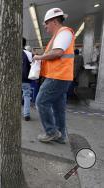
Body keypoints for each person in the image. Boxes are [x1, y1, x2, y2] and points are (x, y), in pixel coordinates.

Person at [33, 8, 75, 144]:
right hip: (61, 77)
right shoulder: (60, 35)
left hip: (57, 76)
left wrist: (39, 57)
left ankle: (51, 132)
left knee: (41, 102)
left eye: (46, 23)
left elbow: (57, 53)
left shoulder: (63, 33)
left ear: (54, 21)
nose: (45, 26)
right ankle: (61, 135)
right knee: (58, 108)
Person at [22, 37, 33, 121]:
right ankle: (26, 114)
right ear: (25, 44)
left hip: (13, 79)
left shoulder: (11, 53)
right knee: (26, 96)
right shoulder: (28, 54)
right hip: (26, 78)